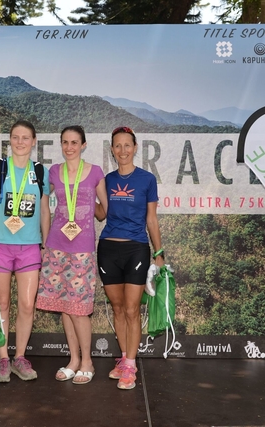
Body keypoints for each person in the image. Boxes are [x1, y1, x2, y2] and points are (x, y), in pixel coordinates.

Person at [0, 120, 50, 383]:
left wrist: (45, 245)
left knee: (27, 305)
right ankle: (3, 359)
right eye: (16, 137)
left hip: (30, 247)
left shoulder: (40, 172)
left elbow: (45, 211)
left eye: (25, 137)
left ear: (34, 141)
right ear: (10, 140)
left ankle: (20, 357)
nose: (20, 142)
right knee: (3, 304)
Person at [36, 125, 108, 385]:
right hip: (56, 246)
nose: (69, 147)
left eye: (74, 142)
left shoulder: (96, 172)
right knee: (65, 307)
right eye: (65, 142)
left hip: (82, 249)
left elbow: (104, 211)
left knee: (79, 309)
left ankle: (87, 361)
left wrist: (86, 204)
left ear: (83, 144)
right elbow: (42, 202)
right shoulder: (54, 172)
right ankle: (74, 360)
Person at [97, 126, 165, 390]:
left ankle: (130, 365)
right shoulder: (106, 180)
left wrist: (159, 253)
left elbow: (151, 219)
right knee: (117, 308)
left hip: (136, 248)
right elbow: (101, 214)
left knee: (132, 309)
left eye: (127, 145)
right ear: (112, 150)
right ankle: (124, 358)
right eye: (117, 145)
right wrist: (81, 195)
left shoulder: (147, 179)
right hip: (108, 249)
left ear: (135, 148)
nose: (122, 150)